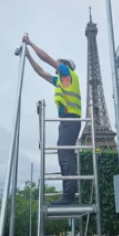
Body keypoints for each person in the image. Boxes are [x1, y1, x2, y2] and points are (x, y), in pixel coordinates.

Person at [23, 33, 82, 205]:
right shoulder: (62, 81)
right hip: (67, 122)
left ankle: (69, 196)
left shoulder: (68, 74)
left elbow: (46, 58)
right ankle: (67, 194)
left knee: (65, 156)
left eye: (60, 64)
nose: (57, 67)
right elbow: (41, 72)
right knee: (63, 155)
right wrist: (28, 57)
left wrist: (30, 43)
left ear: (67, 66)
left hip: (70, 120)